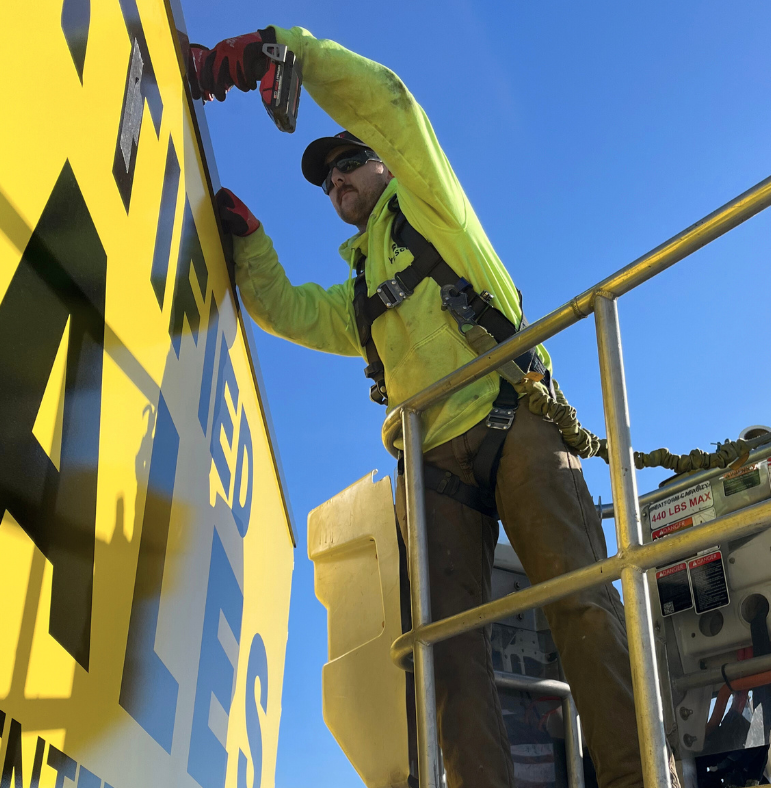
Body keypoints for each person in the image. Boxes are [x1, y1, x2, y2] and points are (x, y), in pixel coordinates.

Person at [191, 26, 672, 788]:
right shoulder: (358, 296)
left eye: (350, 162)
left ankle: (637, 779)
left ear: (385, 162)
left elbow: (390, 104)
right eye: (327, 180)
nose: (336, 180)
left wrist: (284, 54)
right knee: (447, 648)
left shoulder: (433, 206)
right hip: (432, 463)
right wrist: (247, 244)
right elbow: (284, 309)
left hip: (518, 419)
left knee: (579, 602)